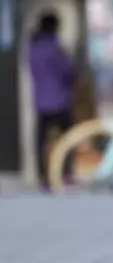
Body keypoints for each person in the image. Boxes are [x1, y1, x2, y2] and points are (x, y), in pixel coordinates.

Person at [27, 11, 75, 190]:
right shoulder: (55, 47)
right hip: (60, 100)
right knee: (67, 139)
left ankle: (43, 177)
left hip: (40, 102)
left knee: (41, 142)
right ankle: (65, 174)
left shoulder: (33, 47)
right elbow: (68, 72)